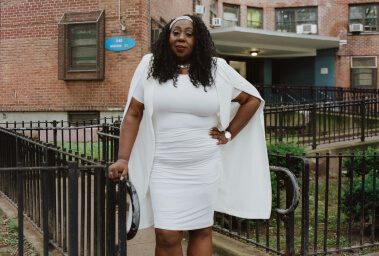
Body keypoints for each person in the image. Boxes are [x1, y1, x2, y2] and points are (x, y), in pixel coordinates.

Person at [108, 14, 271, 256]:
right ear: (168, 37)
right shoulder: (149, 66)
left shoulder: (217, 69)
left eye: (189, 33)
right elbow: (133, 114)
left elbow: (252, 99)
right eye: (176, 32)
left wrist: (228, 134)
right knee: (165, 235)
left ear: (199, 40)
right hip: (163, 167)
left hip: (204, 165)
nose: (181, 37)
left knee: (201, 230)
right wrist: (123, 158)